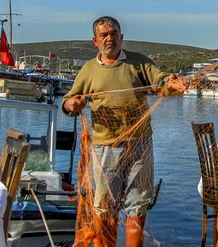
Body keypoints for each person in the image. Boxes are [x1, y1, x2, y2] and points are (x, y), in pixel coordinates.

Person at [62, 15, 186, 247]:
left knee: (137, 208)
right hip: (104, 148)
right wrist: (73, 104)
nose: (110, 38)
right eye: (104, 35)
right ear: (95, 41)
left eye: (114, 33)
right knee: (105, 210)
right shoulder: (88, 70)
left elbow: (159, 81)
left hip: (139, 146)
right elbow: (68, 101)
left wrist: (171, 82)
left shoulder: (138, 62)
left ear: (121, 37)